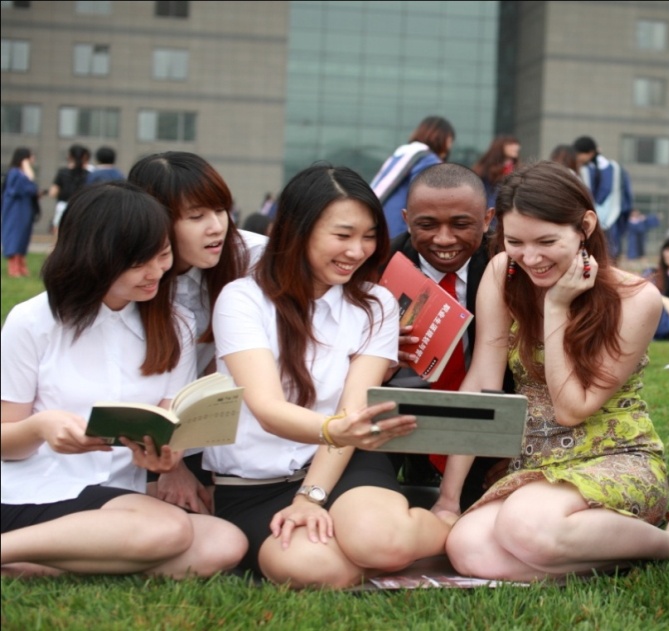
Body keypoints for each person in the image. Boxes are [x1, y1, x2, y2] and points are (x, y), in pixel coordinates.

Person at [203, 164, 451, 588]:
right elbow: (266, 408)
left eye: (369, 236)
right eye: (343, 235)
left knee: (381, 543)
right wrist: (334, 431)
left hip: (345, 463)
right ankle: (368, 543)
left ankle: (452, 526)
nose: (357, 250)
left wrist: (310, 496)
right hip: (253, 485)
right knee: (315, 568)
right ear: (298, 230)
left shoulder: (375, 304)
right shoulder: (242, 300)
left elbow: (351, 411)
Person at [439, 161, 669, 581]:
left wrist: (556, 308)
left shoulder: (635, 298)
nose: (530, 257)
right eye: (515, 241)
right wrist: (448, 499)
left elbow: (572, 409)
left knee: (524, 525)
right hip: (536, 464)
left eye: (547, 241)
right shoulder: (504, 272)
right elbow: (482, 382)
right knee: (468, 550)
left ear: (585, 226)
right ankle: (589, 547)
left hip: (616, 457)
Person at [0, 182, 247, 578]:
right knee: (168, 530)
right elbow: (5, 441)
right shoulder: (33, 322)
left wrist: (167, 457)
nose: (155, 273)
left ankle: (37, 561)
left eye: (163, 256)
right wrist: (40, 427)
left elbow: (170, 424)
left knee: (225, 543)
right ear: (93, 258)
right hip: (34, 490)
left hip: (119, 499)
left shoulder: (175, 325)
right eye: (138, 264)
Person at [127, 151, 269, 515]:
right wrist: (171, 468)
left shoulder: (255, 258)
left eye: (220, 210)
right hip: (141, 437)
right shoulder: (129, 281)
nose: (217, 227)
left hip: (224, 427)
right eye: (196, 216)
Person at [383, 162, 508, 511]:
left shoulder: (508, 265)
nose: (443, 239)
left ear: (487, 219)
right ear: (407, 220)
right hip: (393, 412)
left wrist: (514, 443)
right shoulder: (377, 267)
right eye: (426, 225)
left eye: (460, 224)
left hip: (484, 415)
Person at [370, 116, 455, 238]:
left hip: (380, 218)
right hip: (398, 226)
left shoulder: (403, 153)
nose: (450, 147)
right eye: (450, 140)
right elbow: (425, 199)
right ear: (442, 138)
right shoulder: (427, 160)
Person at [573, 135, 635, 261]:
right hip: (610, 220)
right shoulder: (615, 169)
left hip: (604, 219)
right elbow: (626, 201)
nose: (577, 158)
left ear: (590, 153)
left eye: (579, 154)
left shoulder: (612, 170)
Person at [1, 147, 39, 278]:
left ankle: (21, 266)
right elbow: (17, 190)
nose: (33, 159)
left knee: (22, 237)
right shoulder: (15, 173)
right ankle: (14, 267)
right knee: (15, 237)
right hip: (15, 211)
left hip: (24, 210)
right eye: (30, 156)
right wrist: (29, 175)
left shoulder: (21, 173)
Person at [48, 144, 91, 234]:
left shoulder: (63, 173)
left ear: (69, 156)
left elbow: (53, 193)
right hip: (82, 208)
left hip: (63, 207)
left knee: (60, 234)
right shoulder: (88, 174)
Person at [472, 134, 520, 208]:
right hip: (488, 208)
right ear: (500, 146)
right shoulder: (485, 169)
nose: (516, 147)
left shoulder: (519, 170)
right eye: (511, 144)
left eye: (516, 144)